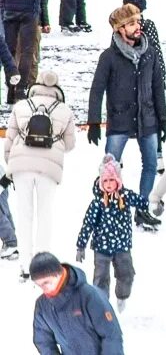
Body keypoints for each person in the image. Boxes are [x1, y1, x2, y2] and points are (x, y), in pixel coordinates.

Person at [87, 4, 166, 231]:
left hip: (147, 117)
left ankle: (142, 210)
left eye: (138, 22)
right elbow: (97, 89)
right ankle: (110, 209)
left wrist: (163, 118)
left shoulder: (149, 53)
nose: (137, 26)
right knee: (110, 167)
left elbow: (158, 87)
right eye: (132, 23)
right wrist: (94, 122)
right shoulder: (109, 57)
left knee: (150, 164)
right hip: (119, 119)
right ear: (120, 29)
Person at [6, 69, 77, 279]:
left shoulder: (20, 107)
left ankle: (25, 265)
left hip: (21, 167)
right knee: (45, 215)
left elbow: (8, 141)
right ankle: (42, 263)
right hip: (49, 168)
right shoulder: (64, 110)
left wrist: (11, 165)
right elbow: (70, 144)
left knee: (24, 215)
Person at [75, 154, 148, 310]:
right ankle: (102, 306)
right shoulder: (98, 203)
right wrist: (81, 246)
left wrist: (153, 203)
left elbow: (142, 202)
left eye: (111, 180)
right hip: (102, 247)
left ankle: (122, 296)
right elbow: (87, 224)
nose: (108, 184)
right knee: (101, 278)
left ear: (118, 180)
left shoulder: (125, 197)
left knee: (126, 274)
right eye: (105, 181)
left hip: (122, 245)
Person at [30, 251, 125, 354]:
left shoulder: (90, 296)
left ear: (59, 274)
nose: (44, 289)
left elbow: (111, 335)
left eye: (46, 282)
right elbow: (43, 341)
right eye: (39, 285)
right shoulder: (43, 305)